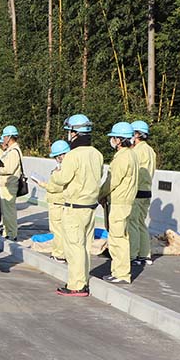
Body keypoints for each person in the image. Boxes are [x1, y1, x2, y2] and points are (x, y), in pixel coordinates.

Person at [50, 114, 104, 297]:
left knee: (74, 247)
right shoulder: (97, 154)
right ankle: (83, 279)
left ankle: (76, 284)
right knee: (85, 246)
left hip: (74, 206)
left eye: (70, 132)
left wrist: (54, 174)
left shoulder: (72, 156)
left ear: (75, 133)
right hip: (90, 206)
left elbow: (63, 178)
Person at [99, 122, 139, 284]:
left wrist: (99, 194)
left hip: (119, 202)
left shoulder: (122, 157)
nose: (112, 140)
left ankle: (121, 273)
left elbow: (112, 181)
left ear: (120, 140)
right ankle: (120, 271)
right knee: (121, 236)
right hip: (125, 202)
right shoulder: (132, 155)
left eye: (114, 138)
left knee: (117, 239)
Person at [38, 140, 70, 263]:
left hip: (57, 202)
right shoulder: (69, 166)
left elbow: (55, 187)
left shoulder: (62, 169)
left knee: (57, 229)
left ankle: (59, 254)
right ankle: (62, 252)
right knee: (63, 229)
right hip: (62, 201)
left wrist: (42, 184)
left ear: (61, 155)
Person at [130, 120, 157, 266]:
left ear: (137, 134)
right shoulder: (150, 150)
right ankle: (144, 255)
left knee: (133, 224)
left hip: (137, 191)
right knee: (141, 223)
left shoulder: (137, 151)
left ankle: (133, 255)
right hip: (146, 190)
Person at [0, 125, 24, 241]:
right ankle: (7, 231)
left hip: (10, 184)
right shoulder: (10, 151)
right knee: (6, 211)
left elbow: (9, 169)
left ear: (9, 137)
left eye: (5, 136)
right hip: (5, 184)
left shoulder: (14, 152)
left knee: (9, 211)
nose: (4, 139)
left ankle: (12, 233)